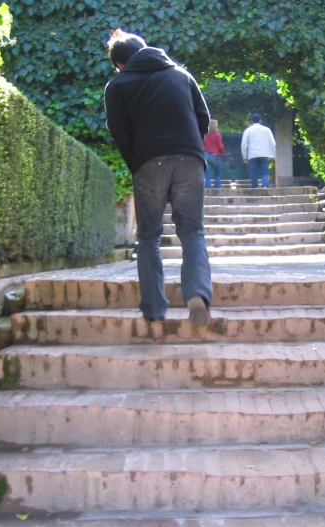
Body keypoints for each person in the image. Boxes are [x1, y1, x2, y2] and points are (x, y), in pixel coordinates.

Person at [104, 29, 212, 326]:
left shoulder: (117, 85)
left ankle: (154, 307)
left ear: (120, 64)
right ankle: (197, 294)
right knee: (192, 231)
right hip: (189, 159)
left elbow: (120, 134)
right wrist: (190, 149)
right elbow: (202, 118)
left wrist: (138, 163)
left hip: (149, 163)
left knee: (149, 236)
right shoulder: (181, 75)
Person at [240, 113, 276, 189]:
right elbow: (273, 143)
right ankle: (265, 187)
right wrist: (273, 154)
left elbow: (244, 144)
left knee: (254, 173)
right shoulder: (267, 130)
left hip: (252, 154)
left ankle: (255, 188)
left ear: (252, 121)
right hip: (264, 154)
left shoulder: (248, 130)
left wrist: (244, 156)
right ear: (260, 120)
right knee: (265, 173)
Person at [203, 119, 224, 189]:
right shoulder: (217, 134)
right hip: (215, 155)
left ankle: (207, 191)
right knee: (217, 174)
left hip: (206, 155)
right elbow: (220, 146)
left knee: (207, 175)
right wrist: (221, 152)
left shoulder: (205, 134)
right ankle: (217, 190)